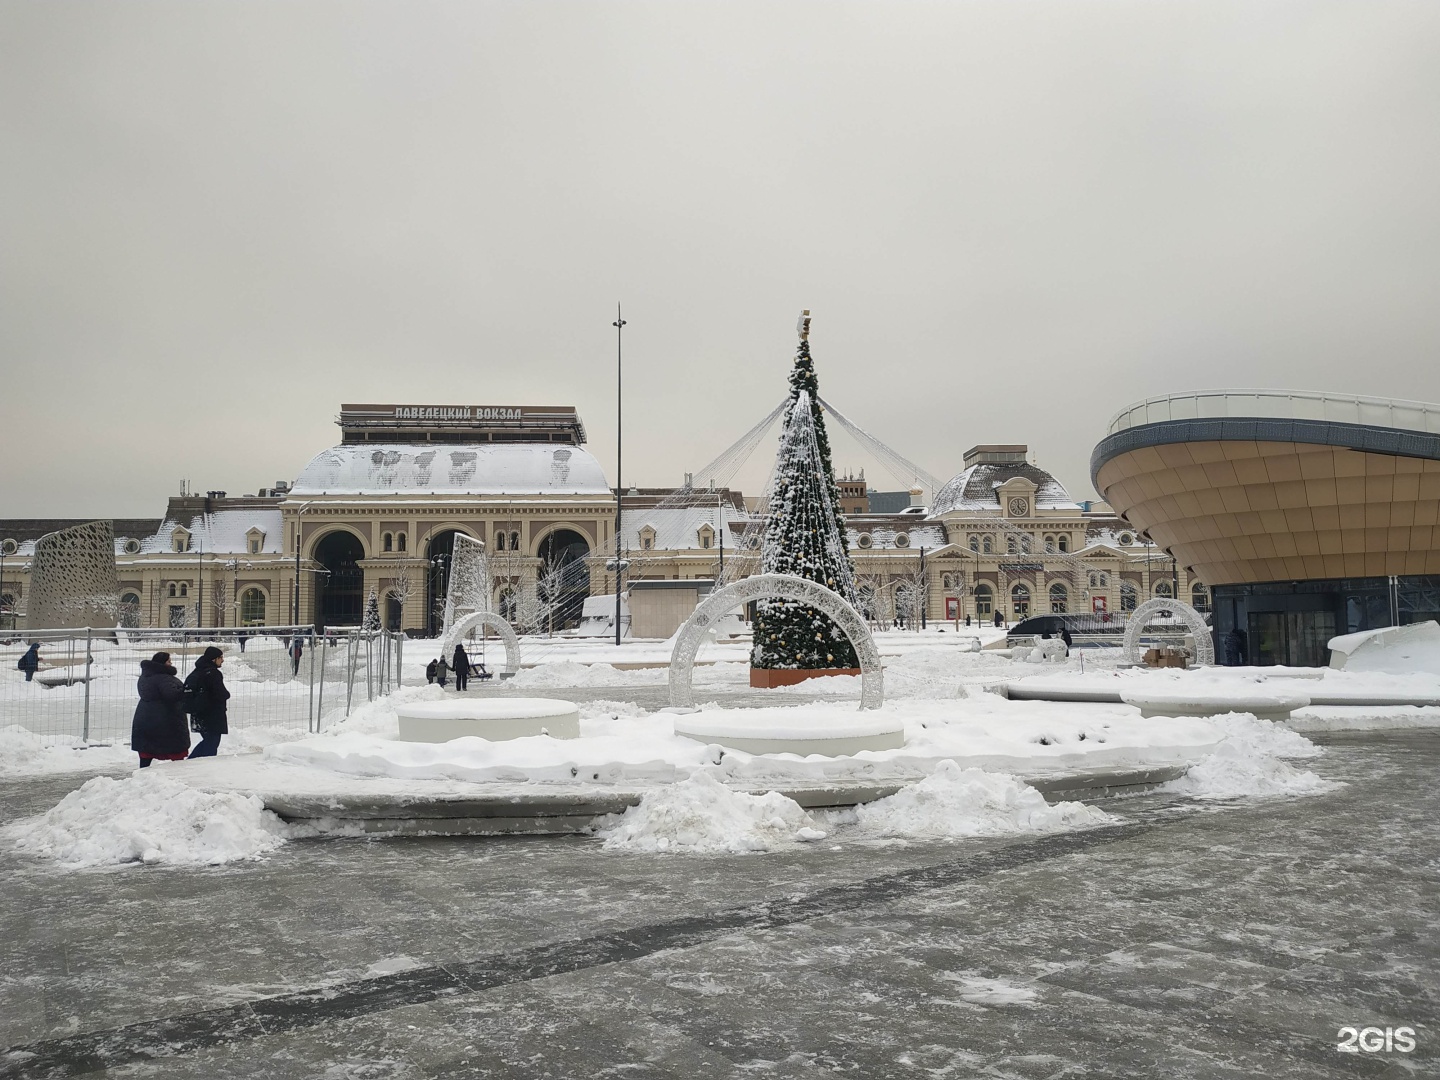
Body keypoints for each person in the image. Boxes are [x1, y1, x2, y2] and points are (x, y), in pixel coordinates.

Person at [131, 652, 189, 768]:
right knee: (174, 750)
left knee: (147, 750)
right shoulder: (165, 678)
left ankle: (142, 772)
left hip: (144, 715)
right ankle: (179, 773)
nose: (171, 663)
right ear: (162, 663)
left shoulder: (145, 677)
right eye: (168, 661)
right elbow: (172, 695)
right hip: (166, 718)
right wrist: (185, 691)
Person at [185, 646, 231, 758]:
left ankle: (192, 763)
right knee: (211, 743)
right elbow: (220, 693)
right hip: (212, 714)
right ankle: (197, 765)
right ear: (213, 659)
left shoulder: (197, 671)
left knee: (208, 741)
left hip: (199, 714)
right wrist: (226, 695)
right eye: (220, 657)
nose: (223, 660)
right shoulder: (213, 674)